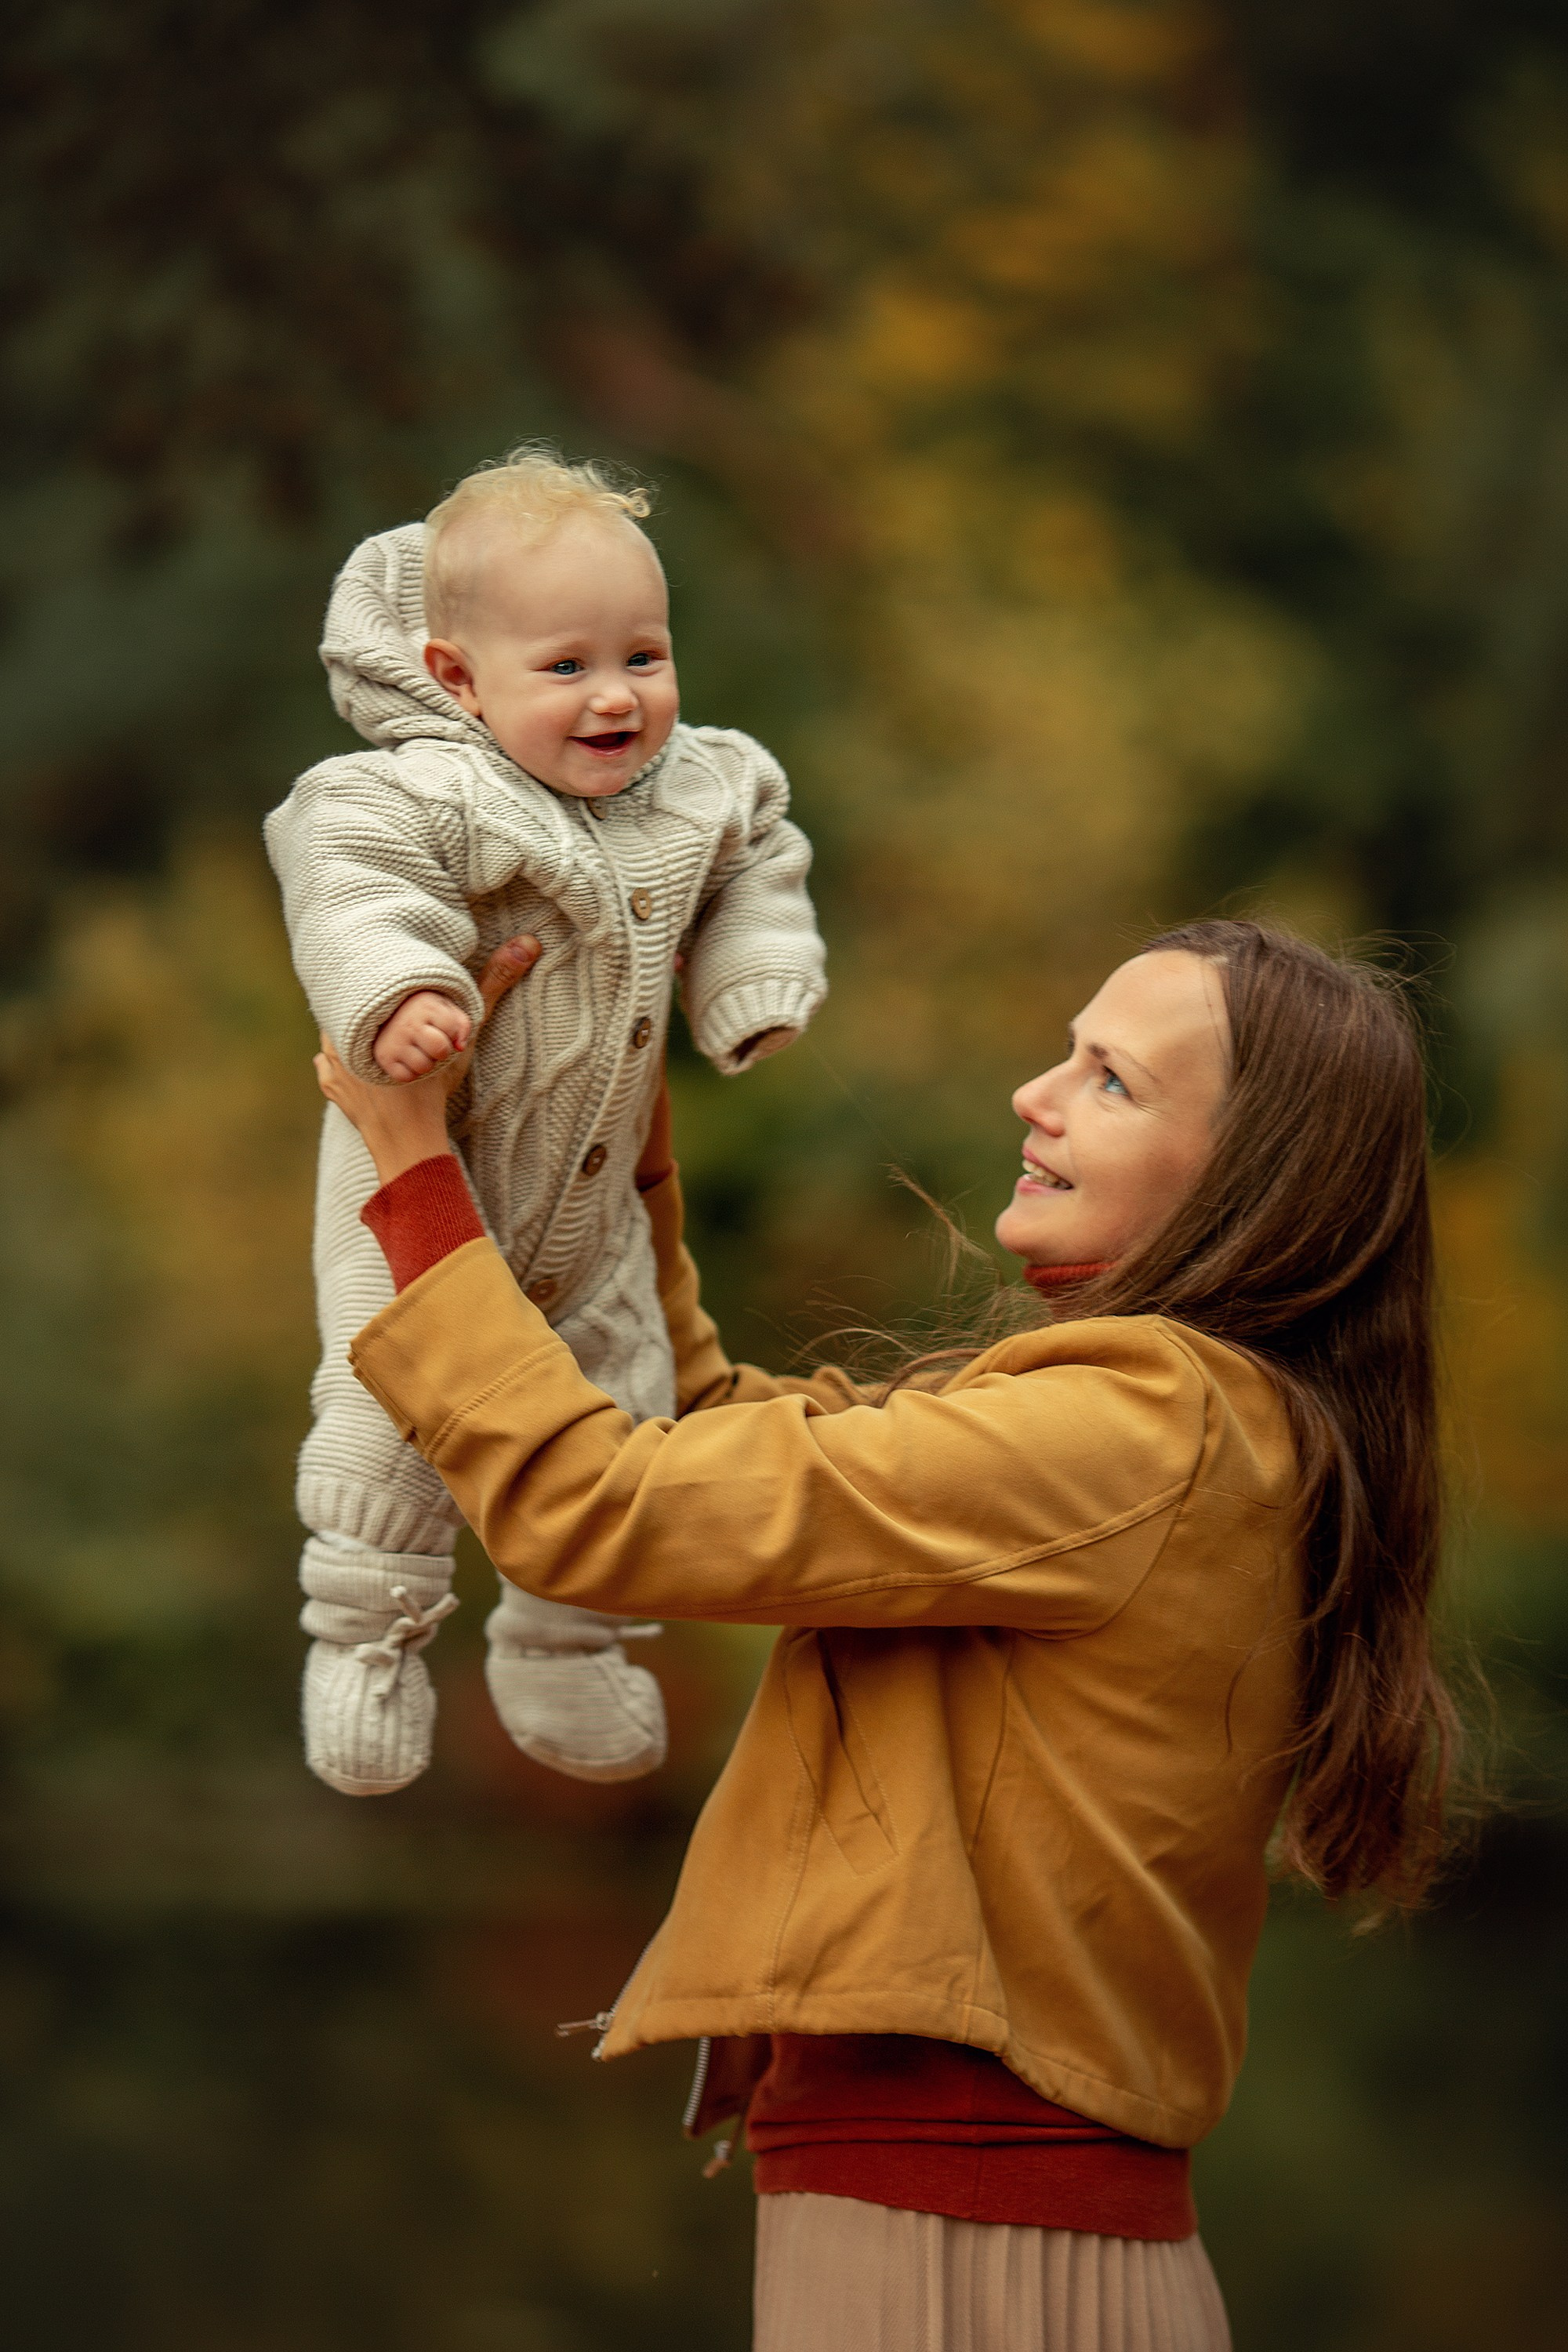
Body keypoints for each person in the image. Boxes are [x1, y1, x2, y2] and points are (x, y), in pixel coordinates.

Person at [314, 918, 1456, 2351]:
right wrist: (619, 1125)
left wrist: (414, 1173)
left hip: (971, 2238)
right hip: (970, 2222)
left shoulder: (1141, 1430)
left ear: (1251, 1181)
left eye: (1112, 1082)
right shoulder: (1161, 1427)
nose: (1038, 1095)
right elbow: (707, 1441)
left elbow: (603, 1505)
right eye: (1068, 1052)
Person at [263, 444, 826, 1800]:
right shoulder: (417, 794)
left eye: (644, 654)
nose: (618, 696)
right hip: (420, 1179)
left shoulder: (707, 784)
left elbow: (765, 855)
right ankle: (367, 1631)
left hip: (595, 1216)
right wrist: (397, 989)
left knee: (618, 1401)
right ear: (456, 678)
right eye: (566, 667)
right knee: (386, 1401)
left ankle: (568, 1644)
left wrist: (748, 975)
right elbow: (344, 876)